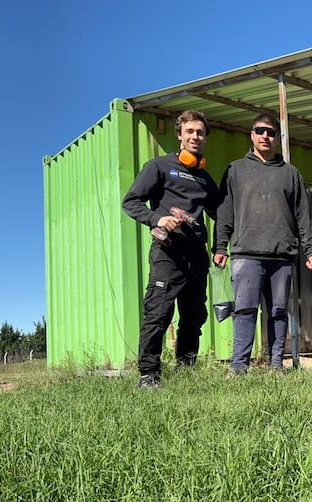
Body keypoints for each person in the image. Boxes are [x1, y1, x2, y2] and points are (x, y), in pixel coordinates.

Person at [213, 113, 312, 374]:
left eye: (271, 132)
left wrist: (311, 250)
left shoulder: (291, 174)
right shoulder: (235, 170)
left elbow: (303, 216)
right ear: (251, 135)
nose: (265, 136)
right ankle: (239, 367)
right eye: (260, 131)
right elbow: (224, 211)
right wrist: (220, 246)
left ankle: (276, 365)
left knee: (278, 312)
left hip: (282, 255)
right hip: (245, 255)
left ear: (277, 138)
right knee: (245, 311)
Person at [122, 109, 220, 389]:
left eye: (200, 133)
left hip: (196, 256)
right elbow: (131, 202)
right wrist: (157, 218)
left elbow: (220, 212)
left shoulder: (205, 179)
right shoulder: (159, 166)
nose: (195, 137)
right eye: (190, 131)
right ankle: (148, 374)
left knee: (194, 316)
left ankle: (186, 369)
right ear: (179, 135)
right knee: (158, 312)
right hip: (168, 252)